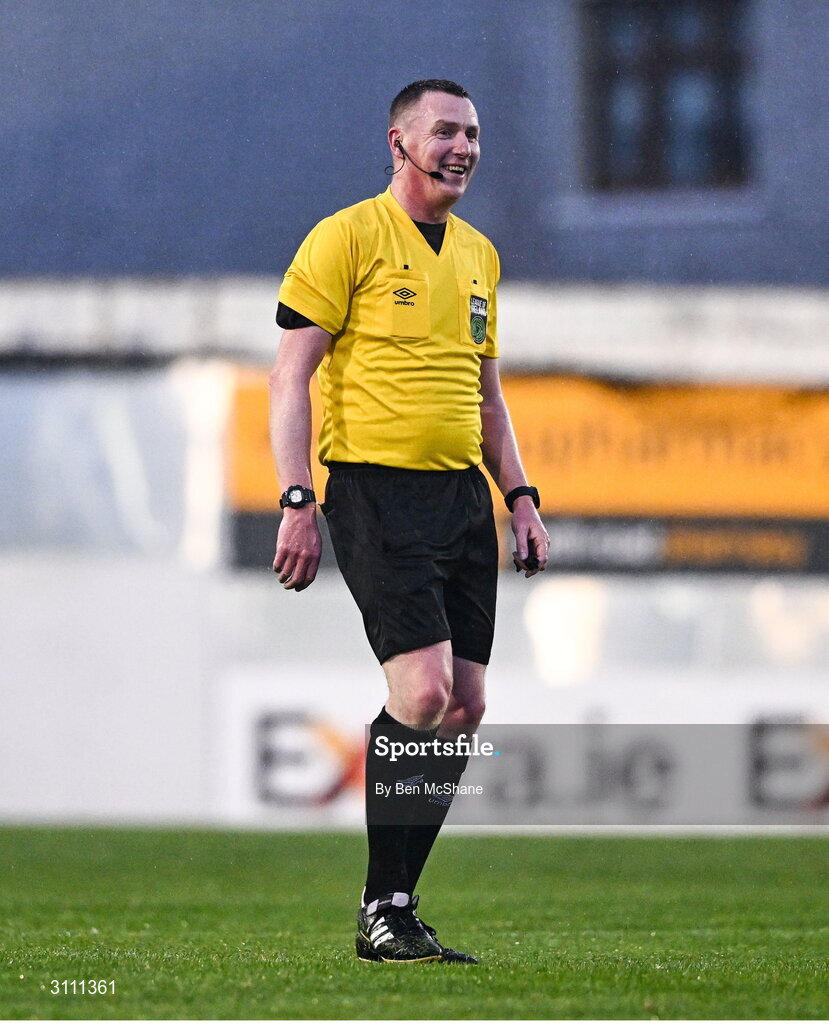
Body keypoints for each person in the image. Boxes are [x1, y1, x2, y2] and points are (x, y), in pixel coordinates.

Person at [269, 79, 548, 964]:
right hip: (374, 490)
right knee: (421, 693)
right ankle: (379, 908)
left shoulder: (479, 256)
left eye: (471, 132)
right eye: (444, 132)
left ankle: (393, 904)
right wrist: (296, 496)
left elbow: (487, 395)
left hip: (462, 497)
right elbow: (289, 378)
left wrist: (520, 494)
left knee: (463, 708)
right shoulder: (344, 237)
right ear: (398, 141)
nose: (462, 147)